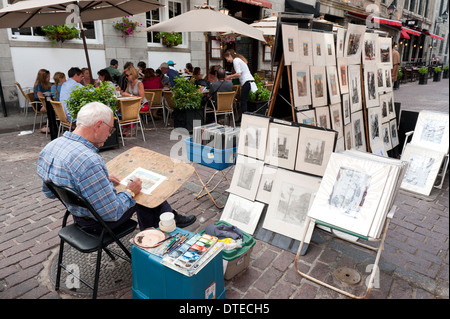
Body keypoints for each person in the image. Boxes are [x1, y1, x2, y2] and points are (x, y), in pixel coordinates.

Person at [36, 102, 196, 234]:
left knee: (135, 188)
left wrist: (94, 183)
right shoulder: (90, 160)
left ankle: (166, 218)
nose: (111, 134)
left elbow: (48, 192)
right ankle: (154, 234)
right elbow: (112, 213)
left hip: (78, 215)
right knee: (144, 193)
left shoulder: (51, 147)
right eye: (111, 129)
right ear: (98, 125)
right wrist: (131, 191)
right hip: (99, 224)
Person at [224, 49, 256, 115]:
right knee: (244, 100)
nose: (227, 61)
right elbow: (239, 75)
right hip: (249, 81)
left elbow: (238, 74)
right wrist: (231, 77)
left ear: (230, 55)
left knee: (243, 101)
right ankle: (244, 117)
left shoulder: (235, 60)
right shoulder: (238, 59)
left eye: (227, 58)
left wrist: (228, 77)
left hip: (246, 81)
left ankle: (244, 118)